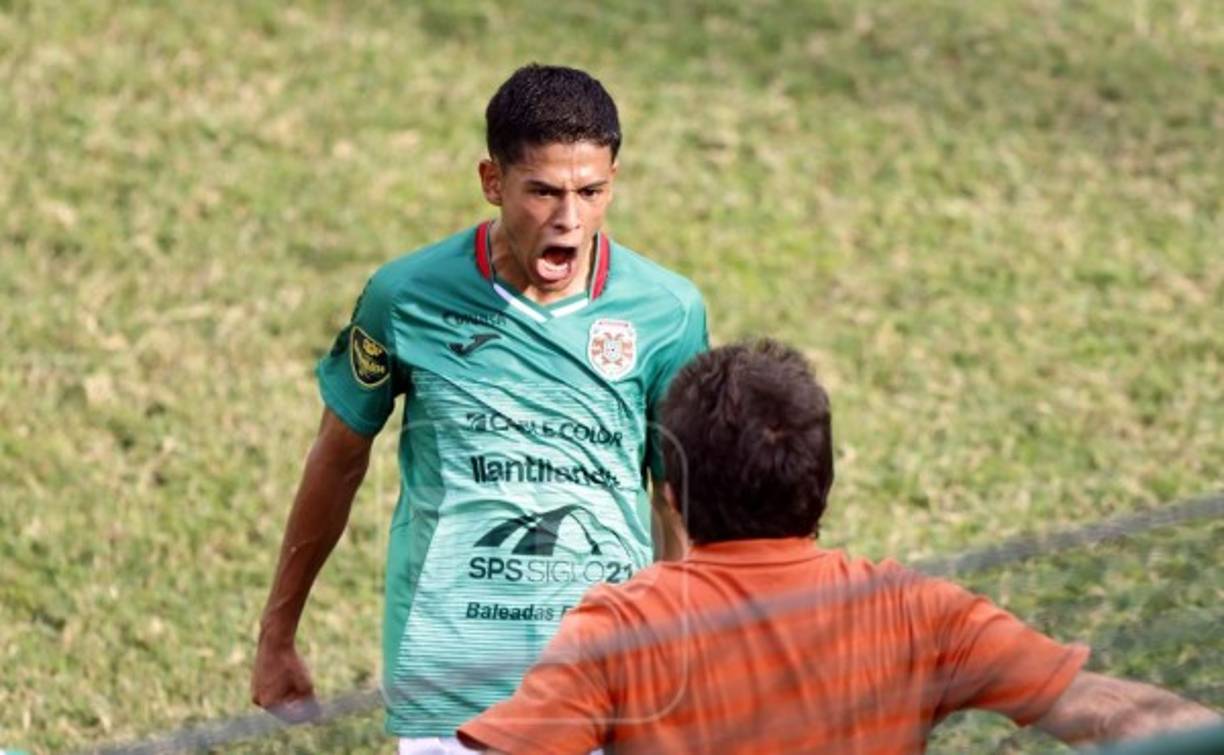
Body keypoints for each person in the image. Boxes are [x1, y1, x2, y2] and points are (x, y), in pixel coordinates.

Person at [457, 340, 1221, 753]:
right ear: (821, 482)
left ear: (670, 496)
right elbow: (1113, 711)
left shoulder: (619, 628)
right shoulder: (918, 612)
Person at [251, 64, 709, 752]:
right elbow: (338, 457)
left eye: (593, 191)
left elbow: (676, 494)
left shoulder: (668, 312)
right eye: (544, 192)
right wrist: (277, 632)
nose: (570, 219)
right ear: (492, 182)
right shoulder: (406, 297)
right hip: (453, 681)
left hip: (608, 681)